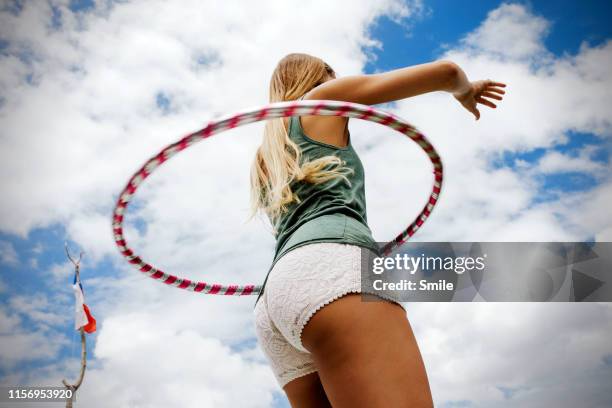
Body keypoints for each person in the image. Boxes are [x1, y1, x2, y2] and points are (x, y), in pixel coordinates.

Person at [248, 53, 506, 407]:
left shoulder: (268, 155)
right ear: (319, 76)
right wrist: (465, 89)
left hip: (275, 299)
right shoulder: (323, 98)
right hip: (332, 271)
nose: (336, 79)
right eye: (331, 74)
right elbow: (446, 72)